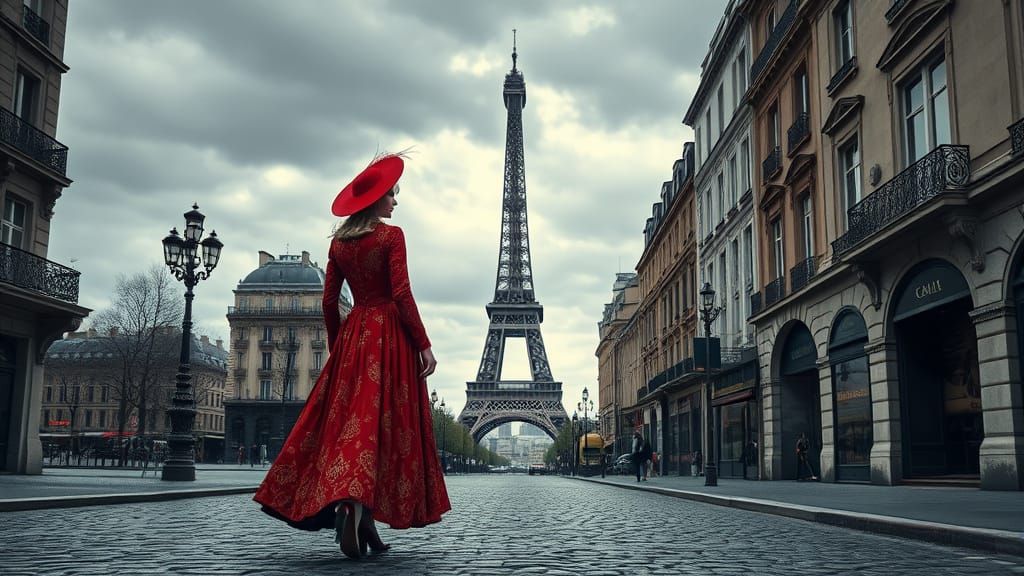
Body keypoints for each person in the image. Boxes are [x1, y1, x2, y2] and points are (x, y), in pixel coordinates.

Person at [253, 152, 451, 560]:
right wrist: (424, 342)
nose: (395, 201)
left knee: (354, 425)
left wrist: (339, 343)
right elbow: (400, 293)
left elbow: (329, 302)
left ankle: (365, 525)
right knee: (381, 430)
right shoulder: (391, 237)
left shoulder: (339, 244)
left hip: (355, 333)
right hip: (390, 336)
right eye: (392, 195)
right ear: (376, 199)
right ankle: (352, 504)